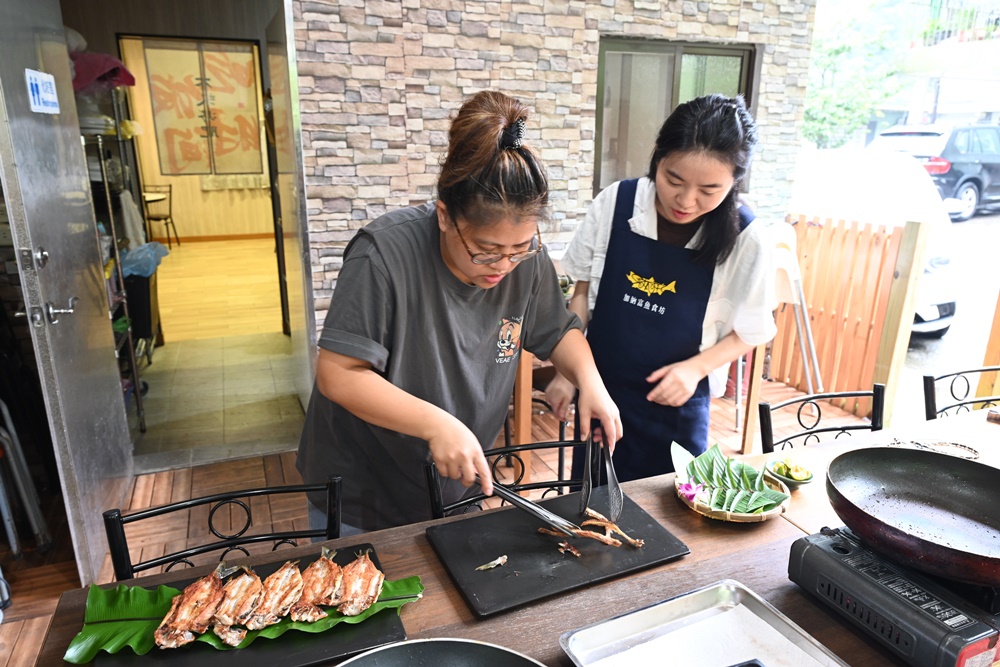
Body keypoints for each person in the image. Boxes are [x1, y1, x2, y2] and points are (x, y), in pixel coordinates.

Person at [296, 90, 622, 534]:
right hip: (363, 488)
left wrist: (591, 382)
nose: (503, 267)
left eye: (518, 250)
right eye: (486, 252)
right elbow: (338, 373)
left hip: (454, 484)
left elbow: (558, 330)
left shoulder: (526, 262)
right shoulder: (383, 254)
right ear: (445, 216)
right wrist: (435, 423)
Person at [546, 94, 776, 482]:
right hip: (602, 391)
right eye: (674, 179)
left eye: (709, 189)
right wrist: (570, 374)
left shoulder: (747, 237)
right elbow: (581, 295)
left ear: (736, 181)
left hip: (677, 407)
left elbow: (752, 330)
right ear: (657, 156)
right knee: (591, 510)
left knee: (673, 521)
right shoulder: (616, 204)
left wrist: (695, 369)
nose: (686, 200)